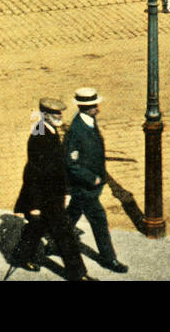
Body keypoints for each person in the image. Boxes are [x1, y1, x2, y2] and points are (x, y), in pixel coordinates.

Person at [11, 98, 90, 281]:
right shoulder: (39, 137)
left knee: (37, 228)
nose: (59, 116)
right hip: (45, 197)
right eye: (56, 114)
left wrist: (66, 191)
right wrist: (35, 205)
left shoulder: (48, 130)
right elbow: (33, 174)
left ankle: (20, 256)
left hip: (53, 194)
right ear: (45, 115)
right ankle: (78, 275)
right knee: (65, 235)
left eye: (60, 113)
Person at [64, 87, 128, 273]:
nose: (97, 108)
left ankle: (56, 242)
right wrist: (92, 179)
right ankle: (109, 259)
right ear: (84, 108)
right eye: (93, 105)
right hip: (85, 187)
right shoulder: (77, 130)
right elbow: (71, 163)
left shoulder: (90, 120)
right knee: (99, 221)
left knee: (71, 216)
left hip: (87, 187)